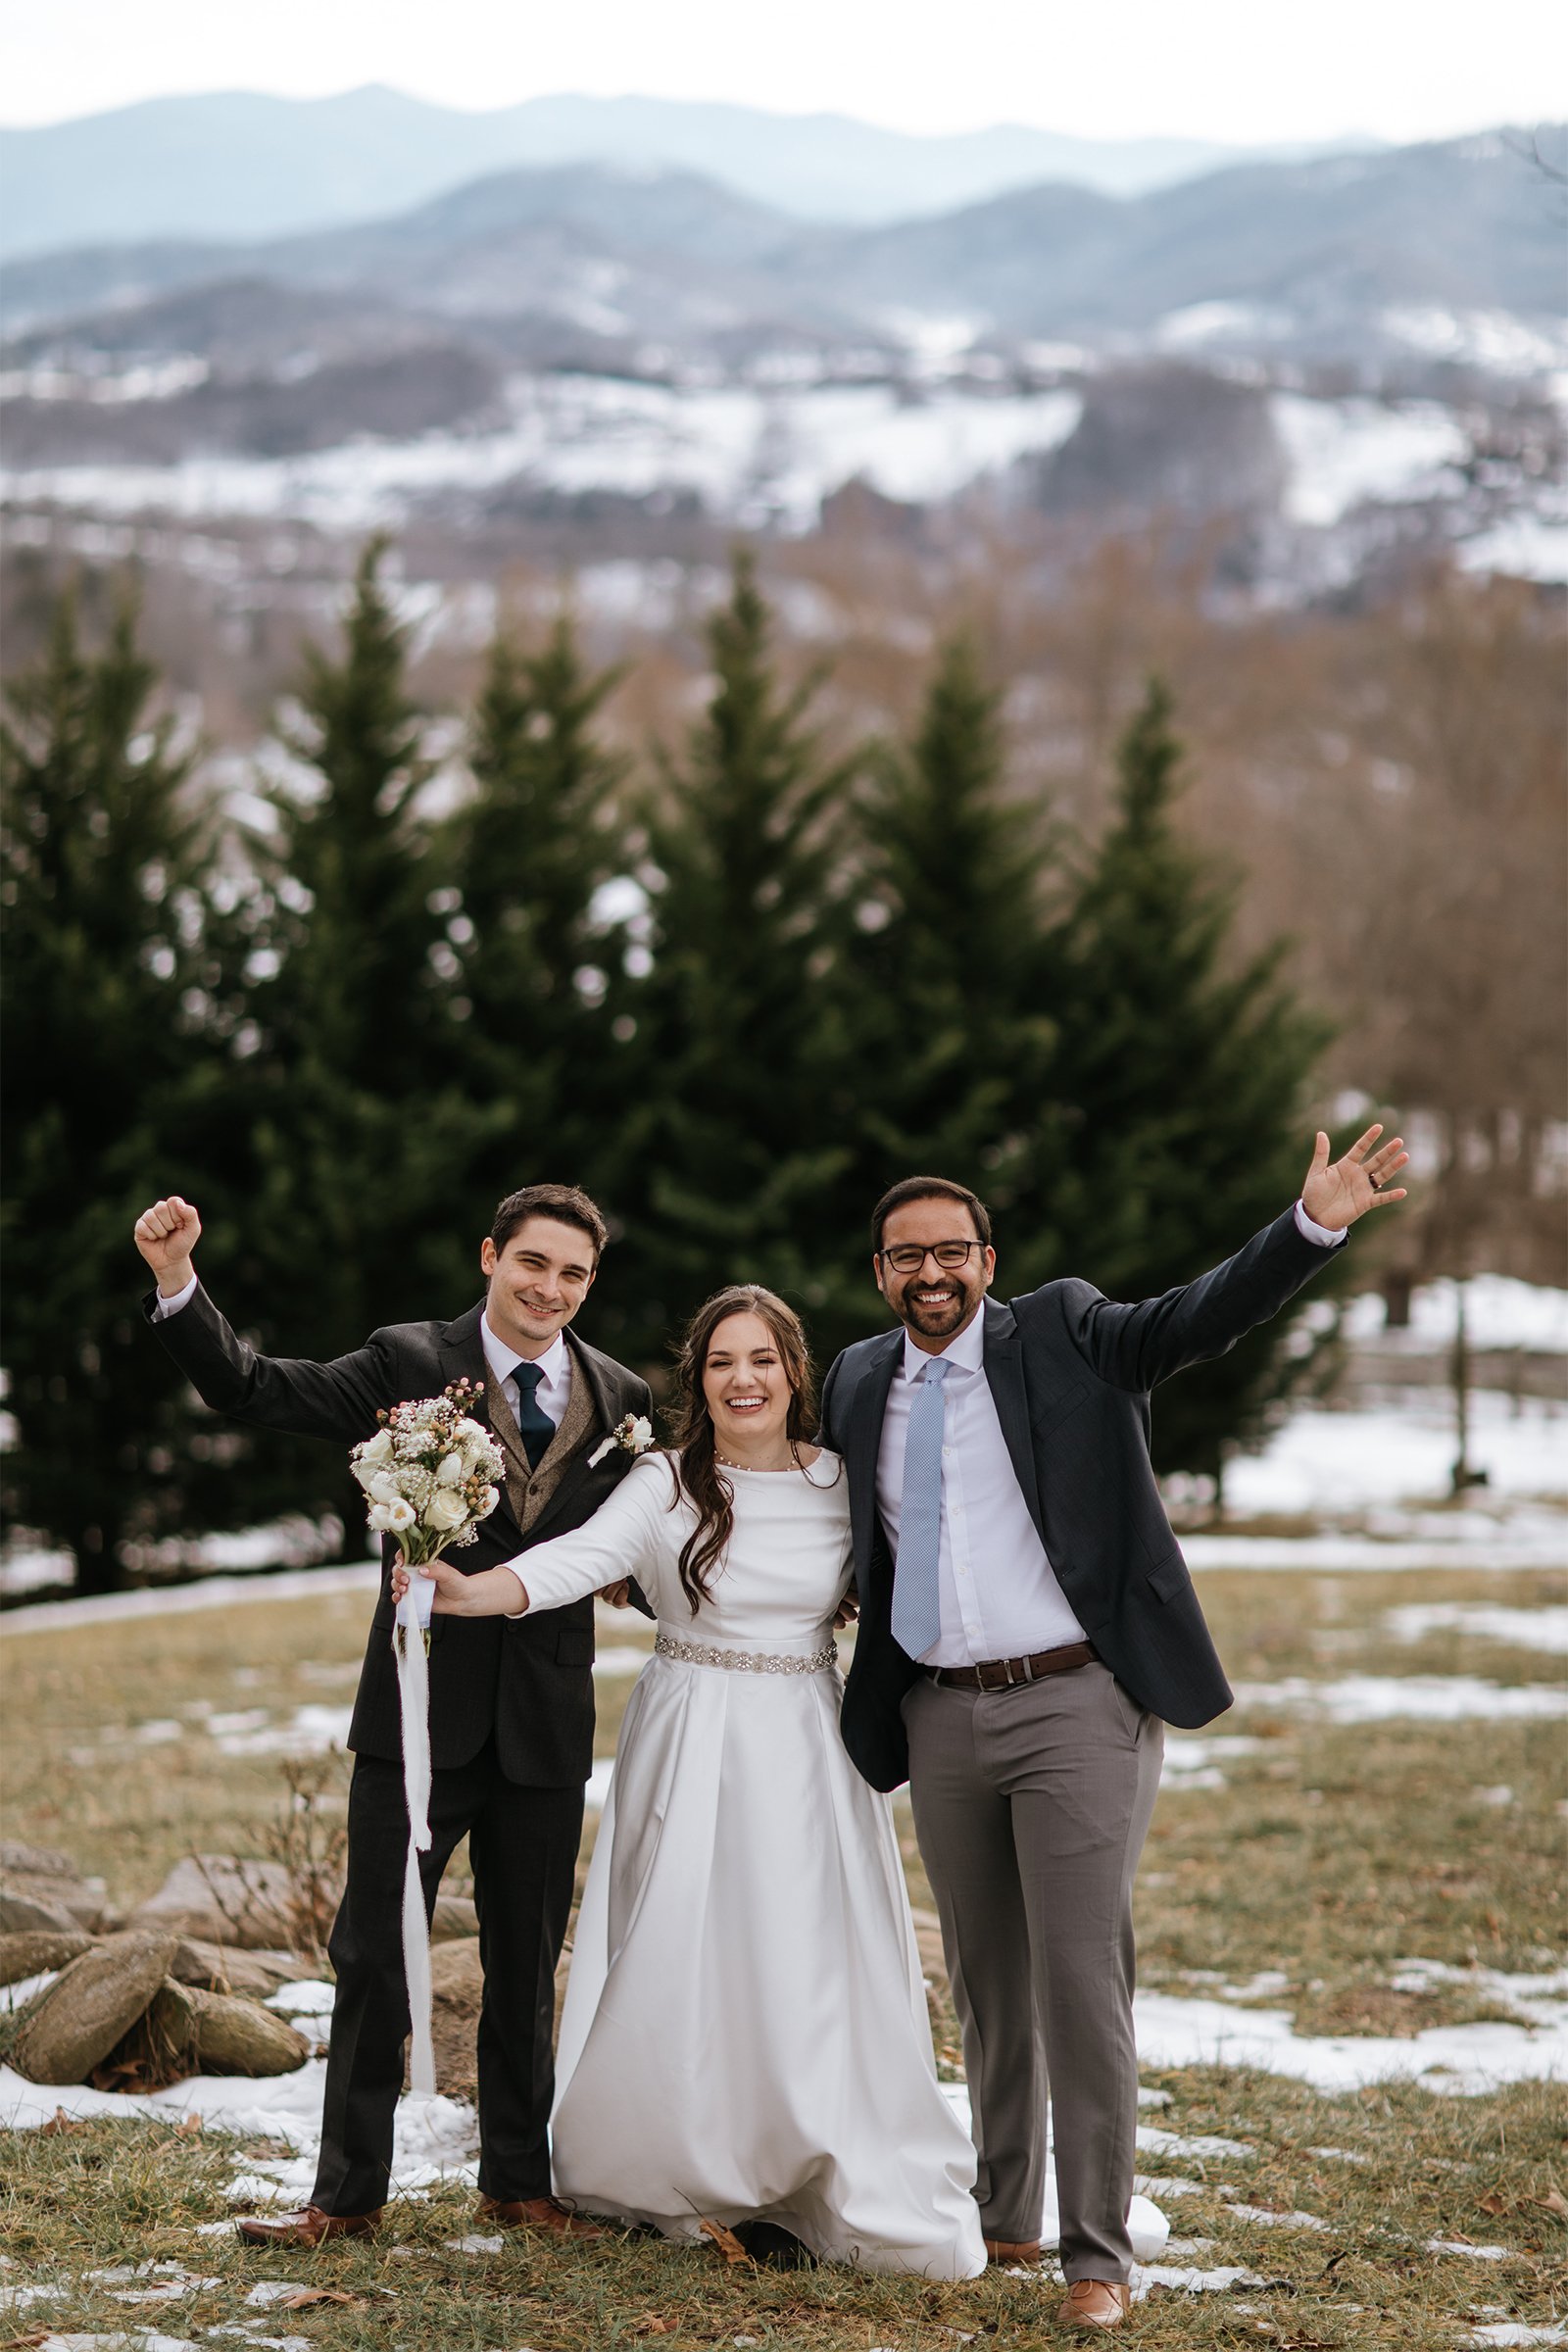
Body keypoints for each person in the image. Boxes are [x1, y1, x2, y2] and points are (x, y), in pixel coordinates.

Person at [817, 1124, 1409, 2332]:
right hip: (936, 1713)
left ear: (988, 1258)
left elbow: (1196, 1319)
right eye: (902, 1259)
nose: (929, 1276)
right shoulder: (858, 1378)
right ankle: (1005, 2216)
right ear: (878, 1272)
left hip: (1074, 1701)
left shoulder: (1069, 1334)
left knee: (1079, 1978)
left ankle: (1095, 2256)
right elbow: (814, 1513)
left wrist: (1309, 1227)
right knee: (985, 1980)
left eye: (950, 1253)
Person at [399, 1284, 987, 2280]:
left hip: (804, 1738)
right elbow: (574, 1558)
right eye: (721, 1363)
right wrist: (470, 1593)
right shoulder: (664, 1483)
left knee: (798, 1944)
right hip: (687, 1724)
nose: (742, 1379)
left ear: (793, 1372)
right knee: (683, 1936)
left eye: (761, 1359)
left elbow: (922, 1572)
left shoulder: (842, 1481)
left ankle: (805, 2147)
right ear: (698, 1379)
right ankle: (671, 2152)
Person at [132, 1182, 653, 2250]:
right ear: (489, 1256)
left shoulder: (621, 1397)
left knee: (524, 1958)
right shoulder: (408, 1361)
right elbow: (253, 1390)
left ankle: (517, 2181)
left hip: (548, 1723)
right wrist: (178, 1282)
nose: (550, 1288)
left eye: (574, 1274)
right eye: (533, 1263)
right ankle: (346, 2198)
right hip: (416, 1711)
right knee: (372, 1950)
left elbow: (631, 1551)